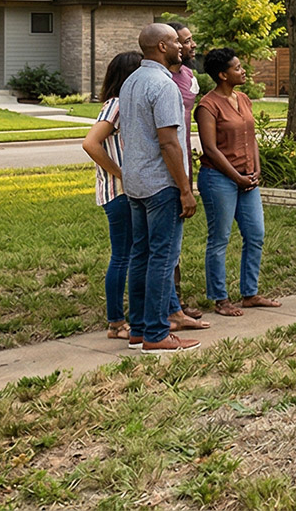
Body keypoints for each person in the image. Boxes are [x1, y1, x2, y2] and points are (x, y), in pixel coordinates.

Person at [118, 23, 202, 352]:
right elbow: (169, 142)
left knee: (140, 254)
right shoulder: (163, 86)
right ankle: (156, 333)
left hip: (135, 182)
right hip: (160, 185)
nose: (181, 46)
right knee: (162, 258)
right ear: (162, 47)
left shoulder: (131, 82)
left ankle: (137, 329)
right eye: (174, 42)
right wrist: (184, 188)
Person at [195, 47, 282, 316]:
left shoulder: (243, 99)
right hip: (219, 179)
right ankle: (220, 299)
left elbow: (250, 137)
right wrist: (237, 177)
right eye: (237, 68)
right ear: (222, 75)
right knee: (220, 238)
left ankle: (250, 293)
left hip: (247, 179)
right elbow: (210, 148)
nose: (243, 71)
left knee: (255, 234)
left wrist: (255, 170)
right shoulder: (207, 106)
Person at [80, 51, 142, 340]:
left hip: (130, 192)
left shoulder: (129, 105)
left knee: (130, 255)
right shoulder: (115, 106)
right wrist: (120, 173)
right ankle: (116, 322)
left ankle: (125, 318)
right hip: (119, 195)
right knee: (122, 257)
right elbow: (91, 144)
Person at [168, 22, 205, 322]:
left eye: (191, 40)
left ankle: (175, 301)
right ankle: (171, 307)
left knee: (177, 236)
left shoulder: (188, 75)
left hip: (184, 156)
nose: (192, 45)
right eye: (185, 41)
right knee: (168, 238)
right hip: (168, 160)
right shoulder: (162, 78)